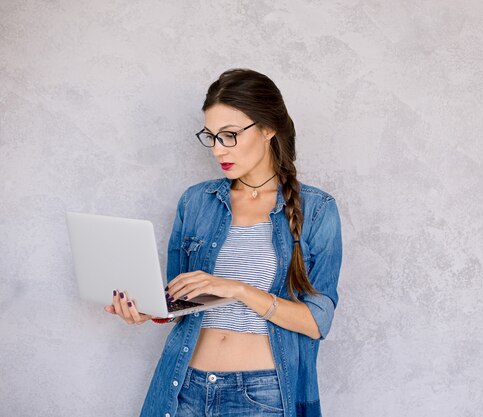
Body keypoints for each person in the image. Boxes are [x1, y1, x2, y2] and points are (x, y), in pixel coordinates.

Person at [104, 68, 343, 417]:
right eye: (211, 136)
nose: (217, 149)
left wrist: (238, 289)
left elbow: (316, 322)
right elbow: (179, 298)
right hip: (181, 387)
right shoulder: (197, 201)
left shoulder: (318, 210)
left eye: (229, 135)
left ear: (267, 129)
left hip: (261, 395)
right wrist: (148, 310)